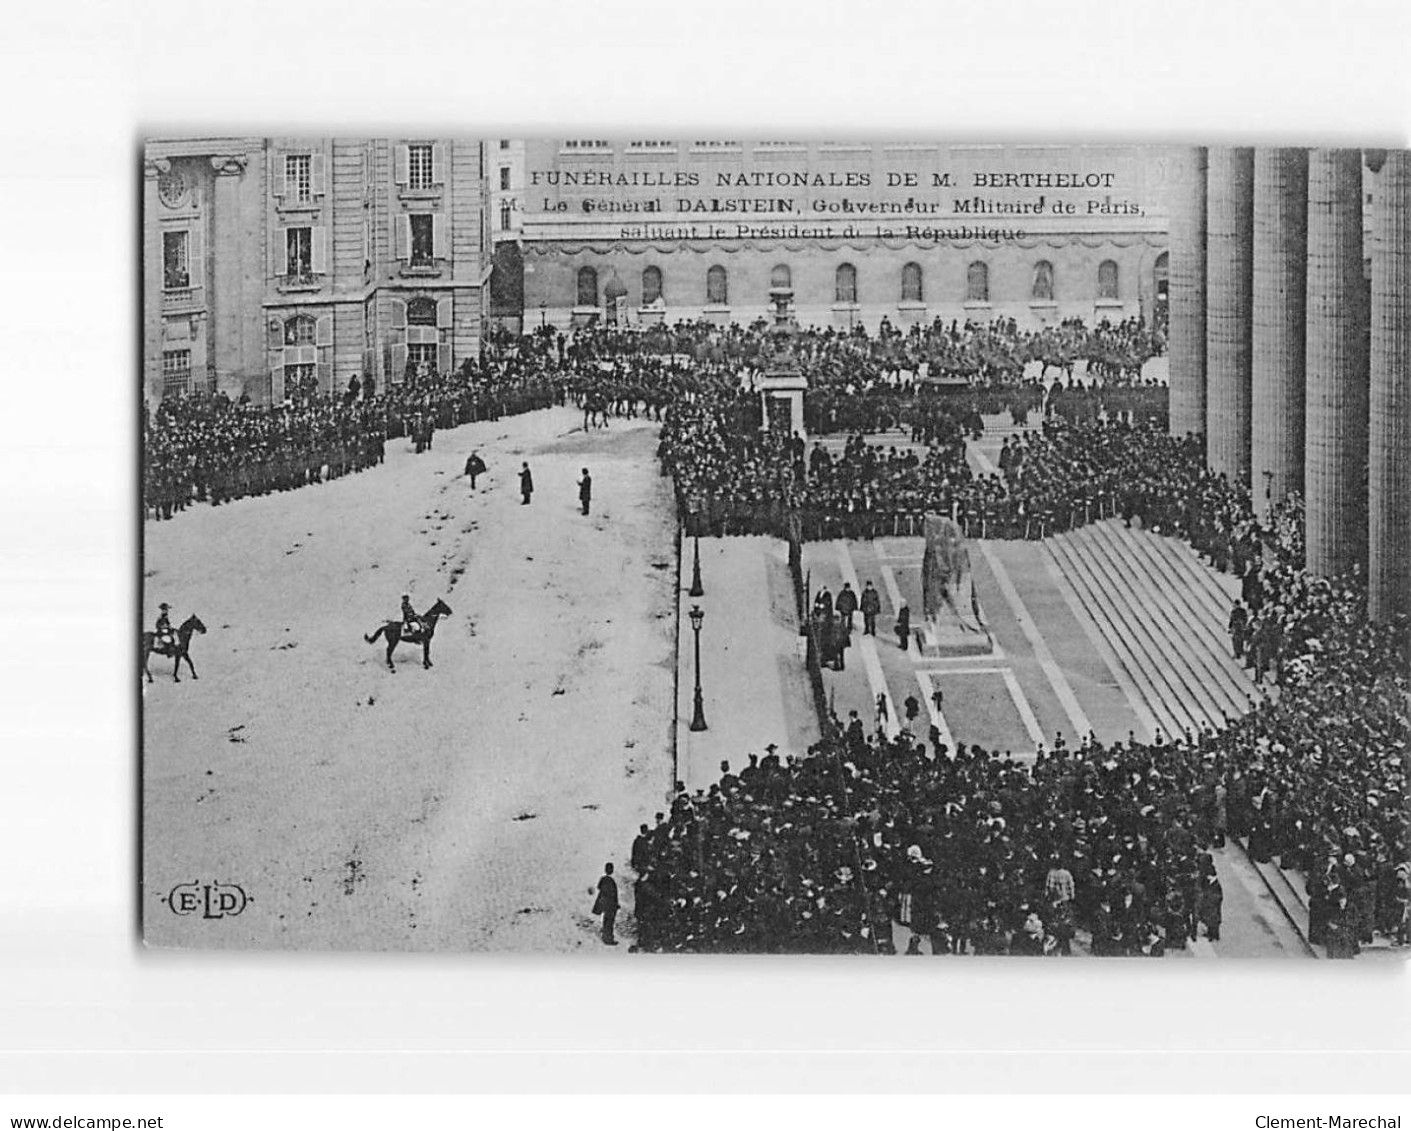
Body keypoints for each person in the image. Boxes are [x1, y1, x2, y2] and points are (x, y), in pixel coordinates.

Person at [592, 862, 620, 945]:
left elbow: (600, 889)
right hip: (610, 905)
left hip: (605, 904)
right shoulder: (610, 881)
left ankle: (606, 935)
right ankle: (608, 938)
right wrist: (615, 904)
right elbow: (611, 895)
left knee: (607, 920)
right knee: (609, 922)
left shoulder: (603, 879)